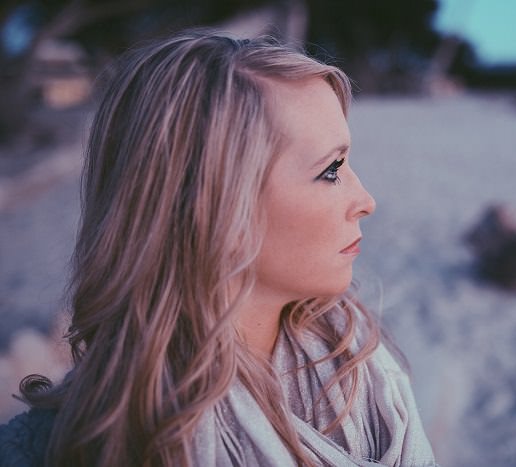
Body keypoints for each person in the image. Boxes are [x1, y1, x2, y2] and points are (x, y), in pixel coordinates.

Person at [0, 30, 436, 466]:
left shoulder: (365, 372)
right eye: (331, 170)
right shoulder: (63, 449)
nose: (366, 202)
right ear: (213, 205)